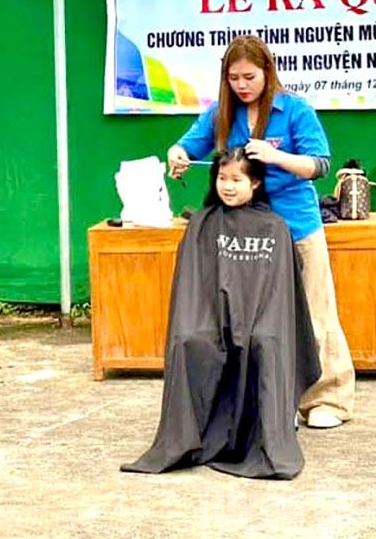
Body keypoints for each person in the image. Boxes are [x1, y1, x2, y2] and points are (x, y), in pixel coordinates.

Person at [167, 35, 355, 429]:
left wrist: (276, 157)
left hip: (296, 225)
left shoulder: (296, 110)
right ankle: (273, 400)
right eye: (233, 77)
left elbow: (319, 166)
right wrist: (179, 155)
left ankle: (329, 400)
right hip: (246, 233)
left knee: (315, 310)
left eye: (249, 76)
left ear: (268, 73)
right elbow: (190, 146)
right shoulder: (221, 113)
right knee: (256, 321)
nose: (242, 84)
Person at [122, 148, 321, 479]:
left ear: (255, 183)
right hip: (211, 318)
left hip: (262, 320)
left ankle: (269, 436)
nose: (228, 186)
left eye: (237, 179)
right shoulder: (202, 224)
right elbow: (193, 286)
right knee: (189, 340)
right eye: (222, 178)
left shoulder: (275, 228)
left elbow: (279, 295)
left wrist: (247, 322)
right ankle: (187, 439)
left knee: (265, 342)